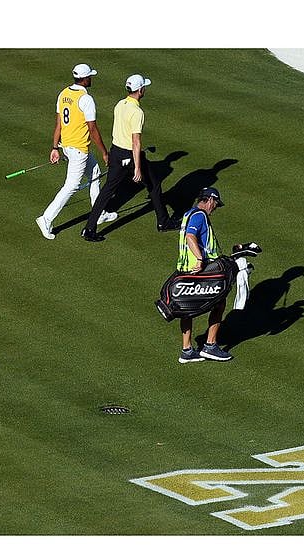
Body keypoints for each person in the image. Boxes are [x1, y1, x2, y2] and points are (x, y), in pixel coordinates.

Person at [81, 74, 175, 242]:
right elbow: (136, 141)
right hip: (129, 155)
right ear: (140, 90)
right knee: (154, 185)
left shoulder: (119, 104)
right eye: (144, 87)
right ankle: (163, 222)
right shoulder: (137, 112)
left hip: (115, 153)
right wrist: (137, 167)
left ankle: (89, 228)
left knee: (106, 191)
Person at [35, 63, 112, 240]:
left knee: (95, 173)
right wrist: (104, 152)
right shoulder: (86, 99)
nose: (91, 79)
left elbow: (59, 124)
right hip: (78, 149)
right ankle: (46, 218)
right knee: (71, 186)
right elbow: (93, 129)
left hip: (67, 146)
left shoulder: (63, 94)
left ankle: (98, 212)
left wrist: (55, 147)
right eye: (90, 76)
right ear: (85, 79)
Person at [175, 187, 233, 363]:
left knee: (186, 308)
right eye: (216, 204)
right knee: (219, 303)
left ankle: (187, 350)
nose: (215, 208)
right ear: (210, 200)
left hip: (184, 269)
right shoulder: (200, 216)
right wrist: (200, 259)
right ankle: (210, 346)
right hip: (200, 270)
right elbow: (191, 237)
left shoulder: (188, 214)